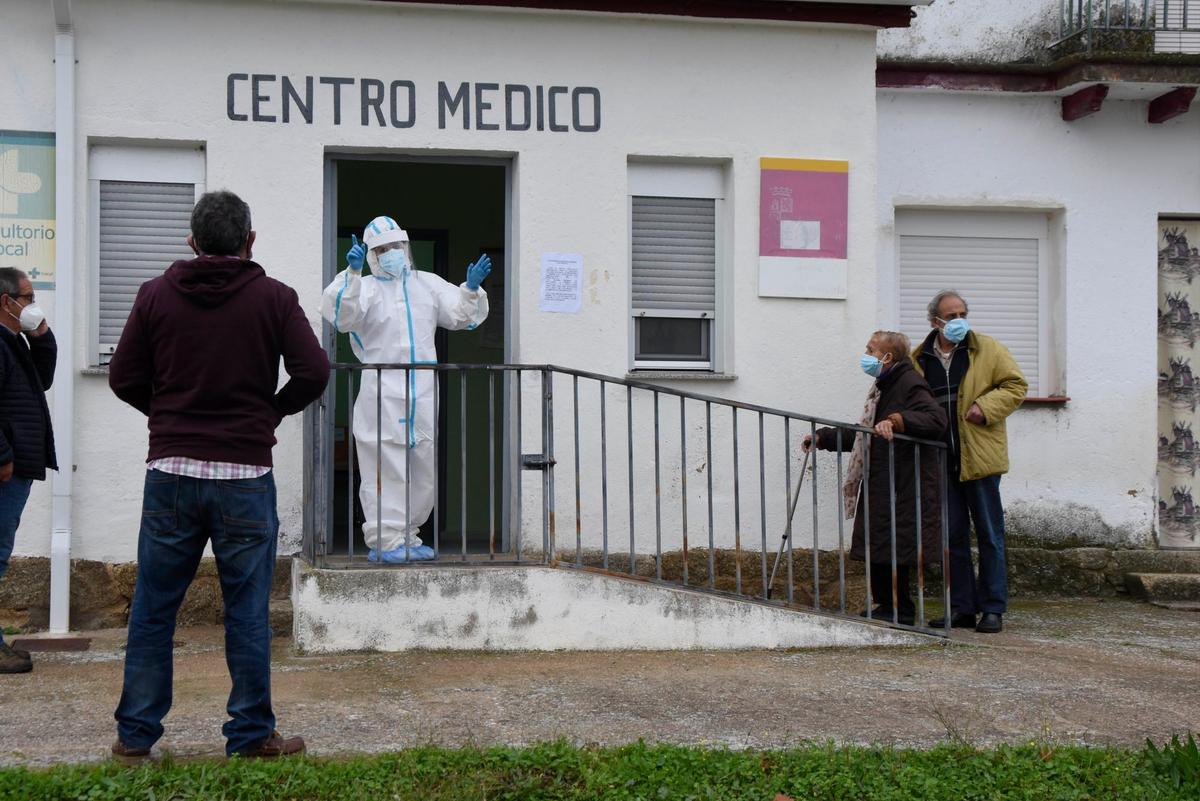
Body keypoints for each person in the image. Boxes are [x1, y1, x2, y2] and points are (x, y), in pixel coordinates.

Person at [108, 190, 330, 762]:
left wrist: (168, 419)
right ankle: (251, 735)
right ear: (250, 241)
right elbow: (314, 370)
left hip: (170, 479)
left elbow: (123, 376)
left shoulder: (154, 295)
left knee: (154, 609)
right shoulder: (275, 299)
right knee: (248, 610)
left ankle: (136, 737)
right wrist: (268, 413)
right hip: (245, 478)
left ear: (191, 241)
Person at [320, 217, 490, 563]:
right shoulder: (364, 287)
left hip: (422, 390)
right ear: (370, 255)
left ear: (406, 247)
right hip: (381, 389)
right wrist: (351, 275)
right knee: (383, 462)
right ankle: (385, 539)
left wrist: (470, 288)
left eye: (396, 246)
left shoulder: (426, 284)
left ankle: (409, 535)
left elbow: (461, 316)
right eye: (382, 249)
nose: (391, 254)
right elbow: (342, 316)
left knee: (421, 459)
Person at [804, 331, 947, 626]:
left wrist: (898, 420)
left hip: (903, 480)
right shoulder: (885, 385)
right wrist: (825, 438)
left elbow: (936, 419)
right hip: (884, 476)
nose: (866, 355)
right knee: (881, 542)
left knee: (895, 544)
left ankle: (901, 610)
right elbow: (865, 432)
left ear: (888, 357)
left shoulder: (909, 382)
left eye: (871, 349)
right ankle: (887, 605)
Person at [913, 291, 1027, 634]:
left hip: (980, 459)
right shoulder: (920, 359)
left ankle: (993, 608)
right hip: (940, 460)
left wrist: (986, 408)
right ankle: (962, 607)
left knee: (990, 534)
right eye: (951, 314)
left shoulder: (987, 348)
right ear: (935, 321)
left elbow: (1015, 385)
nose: (959, 319)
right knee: (952, 538)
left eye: (963, 312)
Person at [0, 268, 54, 675]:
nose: (32, 305)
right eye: (28, 297)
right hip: (5, 469)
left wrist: (42, 337)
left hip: (15, 467)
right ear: (7, 301)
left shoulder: (13, 341)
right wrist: (3, 456)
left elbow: (43, 381)